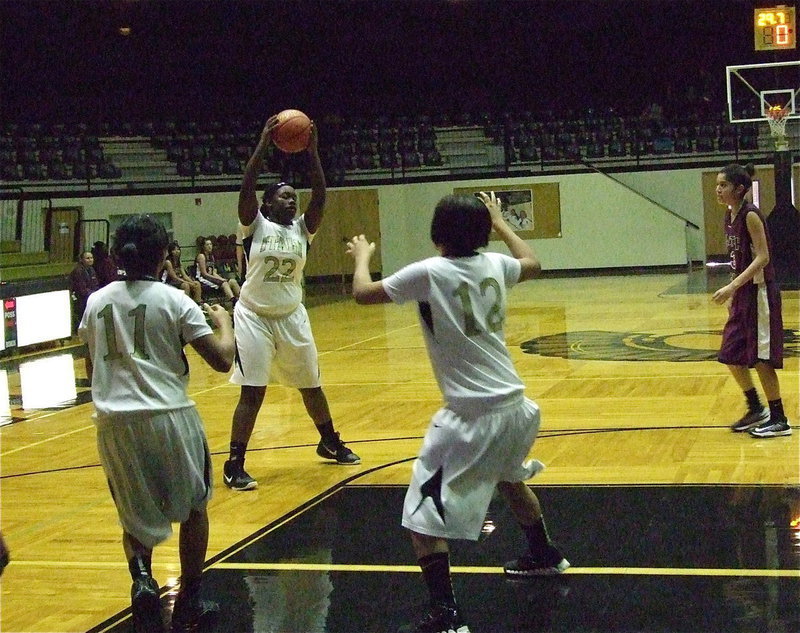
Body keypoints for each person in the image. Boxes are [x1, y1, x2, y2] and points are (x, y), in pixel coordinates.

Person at [346, 192, 569, 633]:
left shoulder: (429, 272)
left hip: (472, 416)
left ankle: (445, 614)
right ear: (483, 233)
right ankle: (544, 553)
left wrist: (363, 257)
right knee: (509, 477)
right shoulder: (496, 265)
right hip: (516, 407)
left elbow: (361, 294)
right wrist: (501, 223)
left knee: (422, 515)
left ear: (437, 234)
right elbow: (533, 262)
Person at [78, 214, 235, 633]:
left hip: (113, 423)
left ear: (116, 255)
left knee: (133, 514)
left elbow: (93, 368)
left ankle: (144, 581)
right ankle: (189, 601)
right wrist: (225, 324)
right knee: (195, 508)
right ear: (164, 254)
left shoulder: (95, 302)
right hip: (169, 416)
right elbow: (222, 360)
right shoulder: (174, 300)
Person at [223, 115, 360, 492]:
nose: (292, 199)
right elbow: (247, 185)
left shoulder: (303, 229)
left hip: (291, 316)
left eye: (293, 196)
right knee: (253, 391)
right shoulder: (255, 225)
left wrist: (313, 152)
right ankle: (234, 463)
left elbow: (320, 195)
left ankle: (328, 441)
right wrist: (263, 144)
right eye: (284, 195)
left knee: (311, 385)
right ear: (267, 203)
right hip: (253, 317)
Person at [712, 163, 791, 438]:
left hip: (760, 293)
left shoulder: (751, 215)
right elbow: (737, 258)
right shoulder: (729, 215)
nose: (718, 189)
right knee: (730, 352)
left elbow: (763, 257)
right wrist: (734, 292)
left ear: (739, 189)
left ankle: (779, 419)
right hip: (742, 295)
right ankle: (756, 408)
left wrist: (732, 286)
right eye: (717, 184)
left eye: (723, 185)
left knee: (760, 358)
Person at [194, 236, 240, 304]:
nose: (210, 246)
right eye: (207, 244)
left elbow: (213, 272)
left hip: (211, 278)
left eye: (211, 244)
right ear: (203, 247)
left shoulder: (211, 256)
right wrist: (219, 280)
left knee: (232, 281)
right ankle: (233, 301)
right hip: (202, 279)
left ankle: (242, 299)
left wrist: (221, 279)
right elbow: (204, 274)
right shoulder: (201, 256)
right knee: (224, 283)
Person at [69, 249, 100, 331]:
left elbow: (95, 284)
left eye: (91, 258)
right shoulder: (78, 271)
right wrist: (94, 295)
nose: (90, 260)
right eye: (87, 258)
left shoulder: (91, 269)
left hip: (90, 295)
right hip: (79, 297)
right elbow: (81, 290)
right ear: (82, 260)